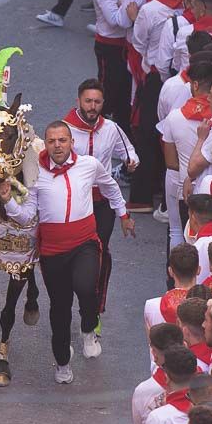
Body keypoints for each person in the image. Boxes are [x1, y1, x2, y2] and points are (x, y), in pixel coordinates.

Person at [11, 119, 134, 381]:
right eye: (52, 141)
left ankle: (89, 328)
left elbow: (110, 186)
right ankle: (62, 362)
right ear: (46, 143)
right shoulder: (35, 173)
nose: (57, 146)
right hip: (53, 251)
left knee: (87, 287)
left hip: (85, 243)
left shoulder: (89, 165)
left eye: (62, 140)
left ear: (71, 142)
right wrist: (6, 202)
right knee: (60, 307)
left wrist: (123, 213)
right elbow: (26, 216)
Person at [64, 79, 137, 311]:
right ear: (78, 101)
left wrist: (131, 161)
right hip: (74, 201)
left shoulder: (111, 128)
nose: (92, 106)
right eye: (88, 101)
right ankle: (70, 293)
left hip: (103, 201)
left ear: (103, 103)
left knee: (100, 249)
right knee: (70, 251)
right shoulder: (64, 129)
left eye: (97, 102)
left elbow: (129, 152)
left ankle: (96, 303)